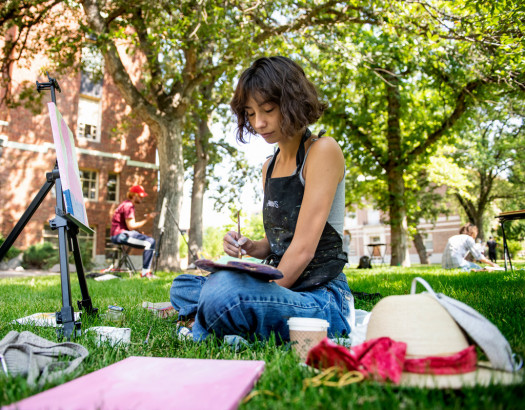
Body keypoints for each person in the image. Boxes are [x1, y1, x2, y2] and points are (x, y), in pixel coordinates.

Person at [170, 56, 352, 342]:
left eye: (268, 110)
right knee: (182, 285)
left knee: (226, 292)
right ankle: (229, 318)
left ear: (293, 102)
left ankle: (207, 325)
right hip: (280, 285)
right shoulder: (269, 166)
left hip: (321, 296)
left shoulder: (323, 151)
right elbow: (282, 240)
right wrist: (251, 247)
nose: (259, 122)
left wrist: (250, 287)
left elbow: (303, 249)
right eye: (251, 113)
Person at [110, 185, 157, 278]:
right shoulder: (129, 206)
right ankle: (145, 273)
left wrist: (139, 233)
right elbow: (131, 226)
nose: (142, 198)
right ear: (134, 195)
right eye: (141, 196)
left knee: (148, 240)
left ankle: (145, 272)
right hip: (121, 235)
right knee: (150, 242)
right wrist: (147, 219)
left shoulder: (125, 204)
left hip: (119, 234)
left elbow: (128, 226)